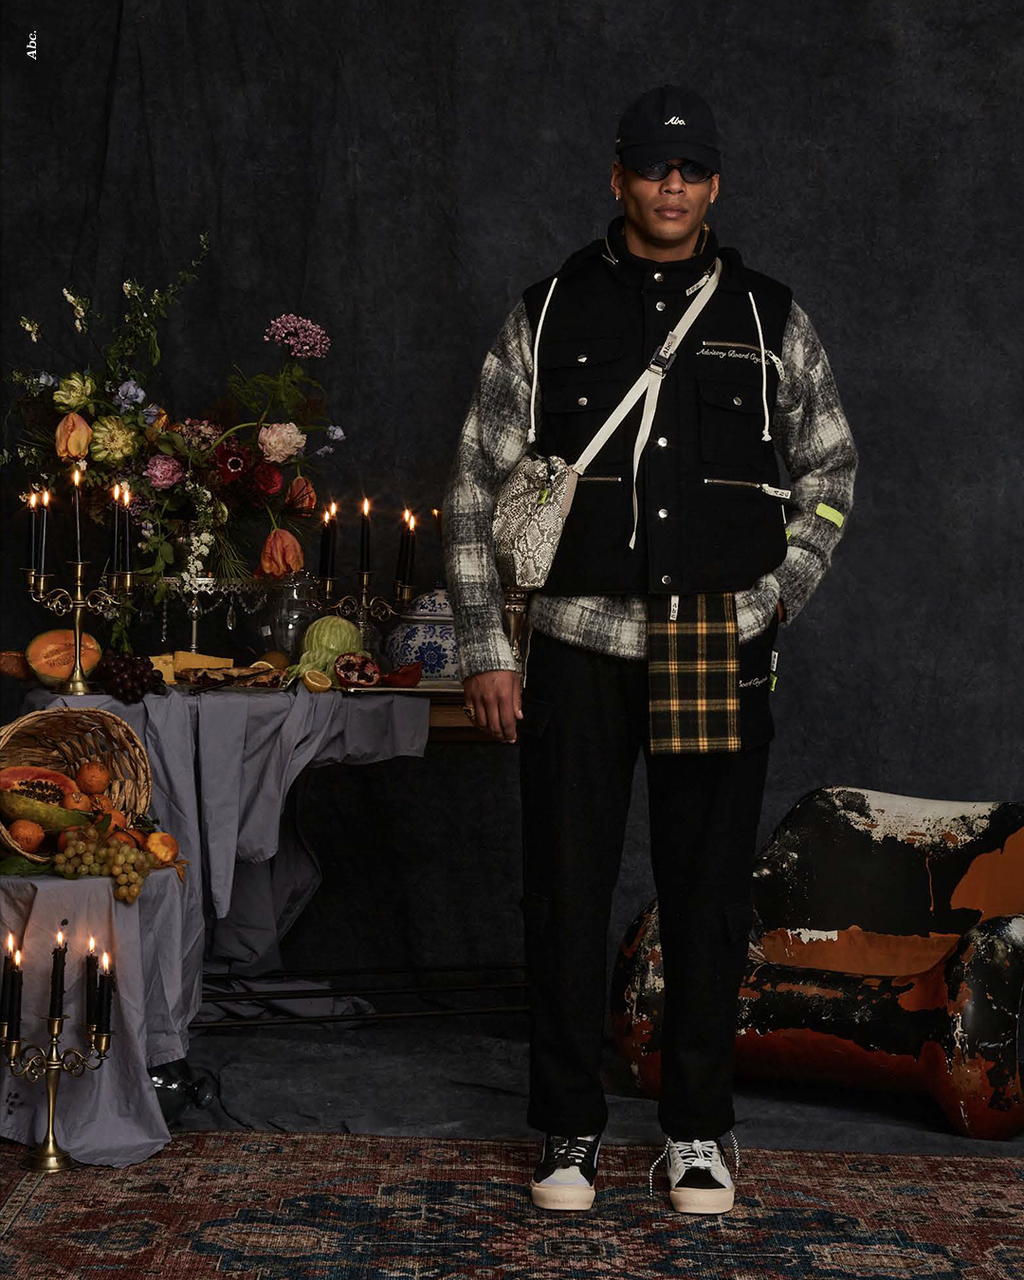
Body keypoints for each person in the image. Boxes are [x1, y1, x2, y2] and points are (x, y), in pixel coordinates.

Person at [442, 83, 857, 1214]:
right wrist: (487, 645)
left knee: (708, 900)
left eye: (690, 169)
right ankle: (568, 1127)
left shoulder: (771, 318)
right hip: (573, 645)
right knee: (563, 892)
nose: (671, 186)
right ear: (617, 177)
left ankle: (699, 1132)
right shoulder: (546, 312)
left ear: (715, 185)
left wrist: (779, 596)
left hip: (716, 640)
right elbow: (474, 485)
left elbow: (830, 471)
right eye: (651, 167)